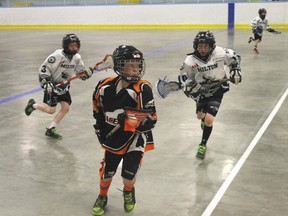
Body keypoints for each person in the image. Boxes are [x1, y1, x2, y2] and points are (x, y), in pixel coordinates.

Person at [91, 45, 157, 216]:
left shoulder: (143, 89)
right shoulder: (104, 86)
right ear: (119, 66)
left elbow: (150, 120)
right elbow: (97, 108)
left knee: (128, 176)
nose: (136, 70)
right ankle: (102, 196)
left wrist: (130, 118)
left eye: (138, 65)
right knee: (107, 173)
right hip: (112, 138)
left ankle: (128, 191)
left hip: (134, 138)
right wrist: (99, 129)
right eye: (131, 65)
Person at [178, 31, 242, 160]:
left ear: (211, 46)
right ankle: (204, 121)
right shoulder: (190, 61)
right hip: (201, 91)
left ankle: (203, 144)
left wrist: (235, 71)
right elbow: (184, 78)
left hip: (217, 89)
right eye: (200, 46)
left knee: (209, 119)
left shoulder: (220, 52)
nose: (202, 49)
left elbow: (234, 57)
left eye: (205, 46)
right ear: (195, 46)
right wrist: (191, 88)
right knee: (200, 116)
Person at [24, 33, 93, 140]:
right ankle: (32, 105)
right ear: (66, 46)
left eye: (76, 45)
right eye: (71, 46)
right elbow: (44, 68)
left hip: (64, 86)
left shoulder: (77, 58)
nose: (74, 48)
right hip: (52, 86)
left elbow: (80, 73)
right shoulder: (57, 56)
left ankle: (51, 128)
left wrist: (86, 74)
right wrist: (46, 81)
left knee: (66, 108)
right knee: (51, 110)